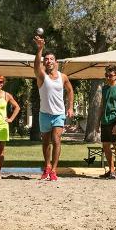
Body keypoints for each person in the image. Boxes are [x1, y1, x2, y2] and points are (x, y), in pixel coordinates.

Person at [33, 35, 74, 181]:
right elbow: (36, 66)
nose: (49, 61)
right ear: (44, 62)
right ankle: (47, 166)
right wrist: (40, 49)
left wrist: (70, 107)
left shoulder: (63, 77)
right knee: (46, 142)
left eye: (51, 59)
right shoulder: (41, 76)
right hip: (44, 114)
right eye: (46, 59)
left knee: (56, 140)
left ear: (56, 62)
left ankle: (54, 170)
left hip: (59, 114)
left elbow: (70, 90)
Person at [97, 64, 116, 179]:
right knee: (105, 146)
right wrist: (97, 122)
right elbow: (101, 106)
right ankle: (111, 170)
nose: (108, 77)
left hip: (115, 121)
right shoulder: (104, 88)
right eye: (106, 75)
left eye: (110, 75)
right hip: (104, 121)